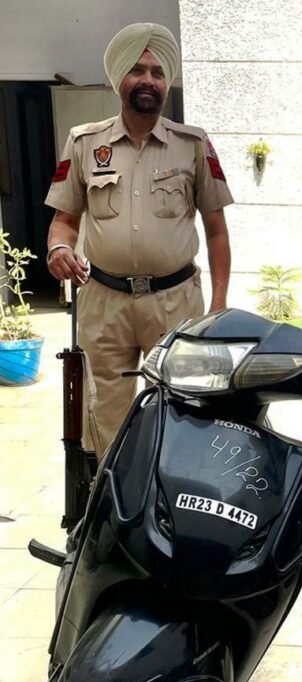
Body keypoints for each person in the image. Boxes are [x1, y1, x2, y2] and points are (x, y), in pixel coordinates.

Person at [45, 22, 233, 458]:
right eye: (137, 70)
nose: (148, 80)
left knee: (182, 412)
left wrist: (219, 304)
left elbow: (217, 230)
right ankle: (111, 496)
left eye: (157, 72)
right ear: (119, 80)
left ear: (166, 83)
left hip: (175, 302)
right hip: (104, 303)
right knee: (104, 418)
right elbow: (64, 221)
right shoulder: (84, 143)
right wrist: (59, 248)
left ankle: (168, 496)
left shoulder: (192, 144)